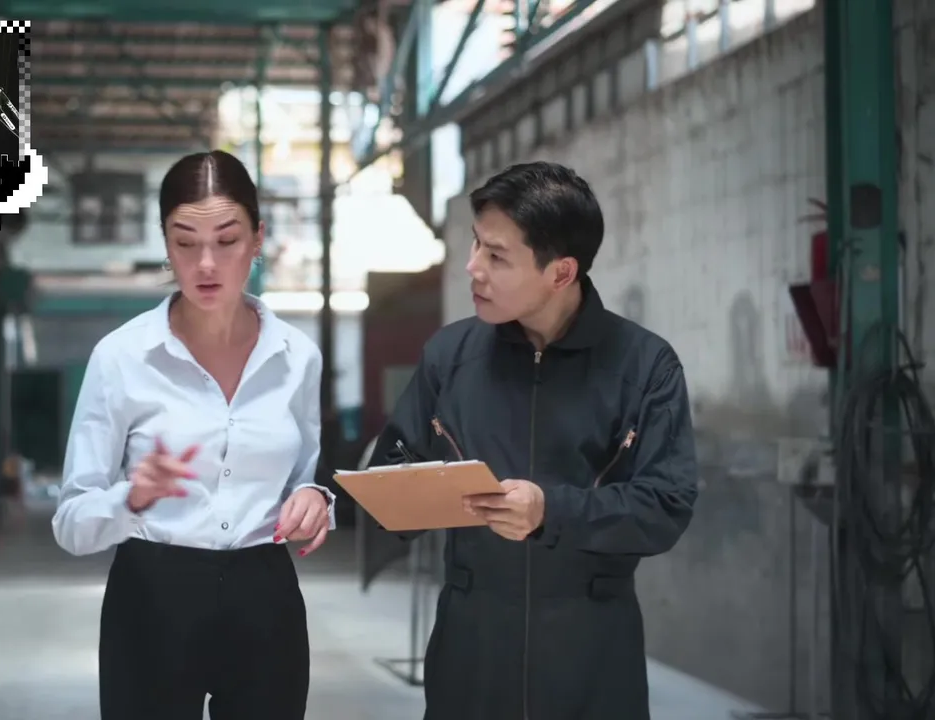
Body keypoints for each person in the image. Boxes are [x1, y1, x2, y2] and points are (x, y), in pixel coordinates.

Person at [370, 161, 700, 720]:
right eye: (477, 244)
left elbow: (665, 505)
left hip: (591, 654)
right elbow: (393, 472)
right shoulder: (450, 357)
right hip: (472, 652)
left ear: (561, 272)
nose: (473, 267)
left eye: (497, 256)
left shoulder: (644, 366)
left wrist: (551, 511)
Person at [51, 150, 335, 720]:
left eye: (227, 240)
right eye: (185, 242)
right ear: (165, 242)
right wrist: (132, 497)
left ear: (258, 239)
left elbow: (303, 478)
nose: (206, 263)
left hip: (266, 599)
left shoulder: (297, 356)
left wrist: (314, 499)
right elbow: (71, 524)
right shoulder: (121, 357)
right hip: (152, 598)